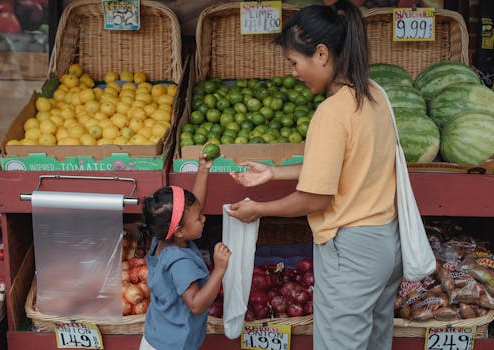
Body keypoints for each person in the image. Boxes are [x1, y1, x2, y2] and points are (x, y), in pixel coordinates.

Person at [228, 1, 403, 349]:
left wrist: (259, 210)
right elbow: (347, 168)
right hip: (385, 245)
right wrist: (274, 172)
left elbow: (317, 197)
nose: (294, 72)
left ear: (321, 54)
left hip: (350, 250)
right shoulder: (374, 95)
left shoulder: (331, 112)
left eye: (295, 62)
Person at [139, 153, 231, 350]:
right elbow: (196, 304)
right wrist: (220, 269)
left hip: (156, 336)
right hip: (173, 346)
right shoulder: (180, 262)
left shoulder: (162, 237)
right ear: (179, 231)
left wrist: (203, 170)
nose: (204, 219)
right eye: (200, 218)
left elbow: (192, 208)